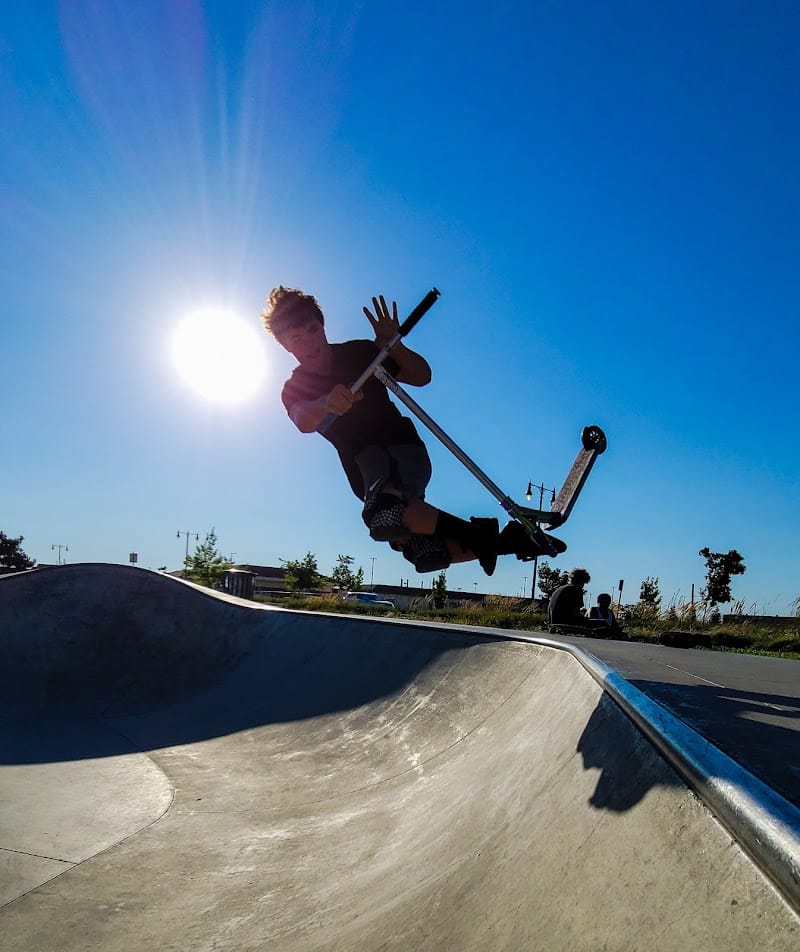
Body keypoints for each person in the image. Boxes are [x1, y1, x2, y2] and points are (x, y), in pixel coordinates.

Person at [261, 287, 565, 576]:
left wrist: (394, 346)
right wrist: (326, 403)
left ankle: (485, 534)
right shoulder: (294, 389)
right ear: (285, 345)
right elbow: (302, 418)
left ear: (323, 326)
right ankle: (506, 541)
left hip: (401, 451)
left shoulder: (360, 353)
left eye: (312, 331)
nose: (309, 344)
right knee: (425, 553)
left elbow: (422, 376)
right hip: (363, 471)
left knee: (387, 515)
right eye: (296, 338)